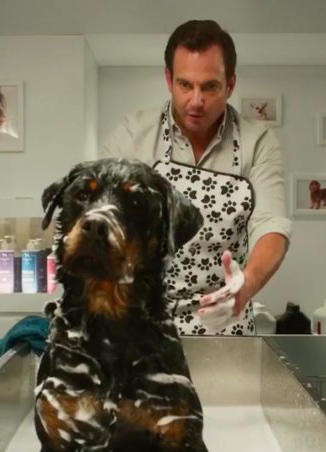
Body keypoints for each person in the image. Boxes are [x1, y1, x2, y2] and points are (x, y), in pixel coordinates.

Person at [101, 19, 292, 335]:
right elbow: (103, 220)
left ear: (230, 85)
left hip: (226, 326)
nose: (196, 101)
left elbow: (272, 226)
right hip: (143, 327)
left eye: (210, 87)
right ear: (168, 79)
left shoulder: (258, 142)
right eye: (185, 85)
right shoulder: (132, 137)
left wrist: (245, 286)